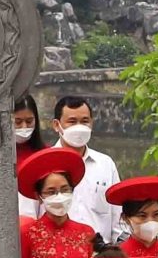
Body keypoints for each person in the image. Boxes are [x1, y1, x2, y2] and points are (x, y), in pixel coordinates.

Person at [50, 97, 121, 242]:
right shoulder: (44, 163)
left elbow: (118, 216)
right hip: (58, 254)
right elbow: (31, 215)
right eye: (72, 122)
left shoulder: (105, 164)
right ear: (57, 125)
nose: (79, 127)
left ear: (92, 123)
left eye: (84, 121)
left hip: (100, 255)